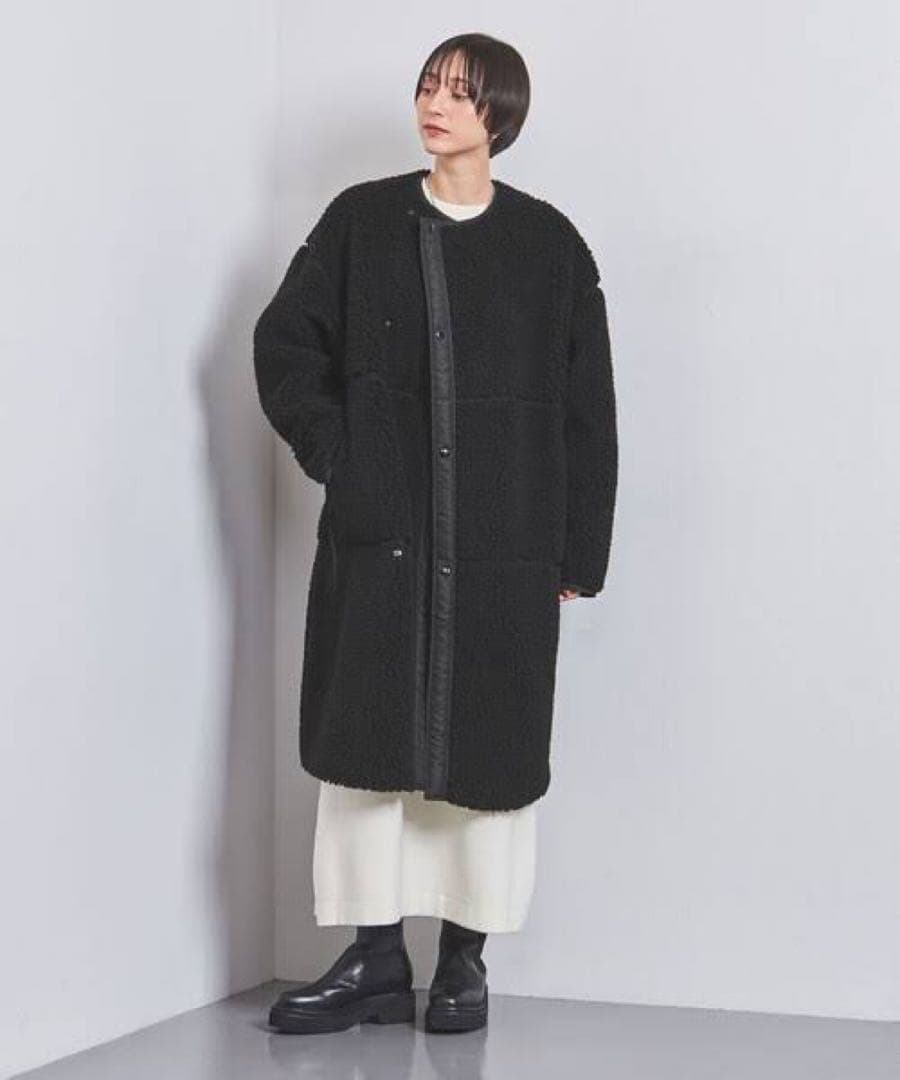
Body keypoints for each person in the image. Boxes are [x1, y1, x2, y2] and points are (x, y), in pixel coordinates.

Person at [253, 32, 618, 1035]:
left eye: (459, 92)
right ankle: (373, 957)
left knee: (488, 758)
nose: (435, 104)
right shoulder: (362, 222)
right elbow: (284, 344)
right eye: (428, 86)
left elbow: (589, 408)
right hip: (386, 538)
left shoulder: (549, 246)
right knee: (368, 752)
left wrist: (577, 549)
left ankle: (464, 960)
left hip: (508, 546)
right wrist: (343, 456)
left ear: (502, 114)